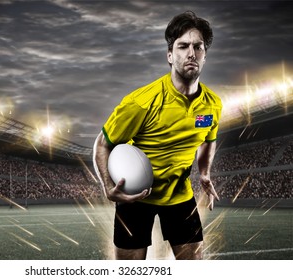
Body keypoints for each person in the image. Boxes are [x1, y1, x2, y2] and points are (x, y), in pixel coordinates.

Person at [93, 11, 222, 260]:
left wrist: (204, 173)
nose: (191, 53)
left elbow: (209, 139)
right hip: (134, 198)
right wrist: (109, 188)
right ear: (170, 55)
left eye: (198, 47)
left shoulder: (213, 104)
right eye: (183, 46)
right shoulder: (141, 102)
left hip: (181, 196)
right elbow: (102, 144)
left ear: (205, 55)